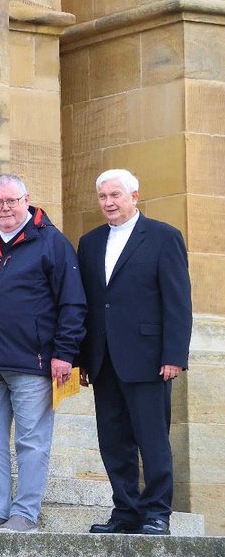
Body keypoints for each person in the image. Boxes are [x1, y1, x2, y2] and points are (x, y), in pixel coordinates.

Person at [0, 173, 87, 533]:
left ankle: (25, 513)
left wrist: (65, 354)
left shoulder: (52, 243)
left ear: (26, 200)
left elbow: (73, 302)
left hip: (33, 363)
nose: (5, 208)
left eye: (12, 201)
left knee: (31, 441)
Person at [78, 169, 192, 536]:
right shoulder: (90, 242)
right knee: (113, 441)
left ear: (134, 196)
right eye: (103, 197)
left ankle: (157, 512)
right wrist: (83, 358)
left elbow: (178, 302)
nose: (108, 203)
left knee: (152, 439)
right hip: (103, 359)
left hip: (149, 358)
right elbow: (89, 304)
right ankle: (125, 510)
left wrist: (174, 355)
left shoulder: (163, 237)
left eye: (115, 195)